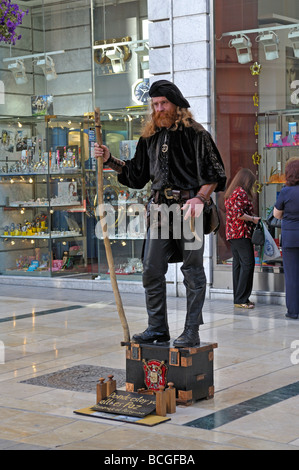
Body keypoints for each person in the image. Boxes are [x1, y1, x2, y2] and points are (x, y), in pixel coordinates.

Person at [95, 79, 226, 347]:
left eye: (163, 103)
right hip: (159, 213)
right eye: (154, 104)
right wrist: (109, 160)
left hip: (189, 211)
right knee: (151, 269)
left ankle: (191, 331)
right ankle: (157, 328)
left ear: (176, 104)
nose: (159, 108)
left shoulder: (196, 134)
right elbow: (136, 174)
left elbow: (215, 174)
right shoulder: (149, 137)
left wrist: (201, 198)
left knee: (192, 271)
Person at [224, 168, 260, 309]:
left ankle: (239, 298)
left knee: (238, 265)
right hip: (241, 233)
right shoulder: (241, 192)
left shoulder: (232, 191)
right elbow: (239, 214)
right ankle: (242, 298)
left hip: (233, 233)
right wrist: (253, 219)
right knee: (248, 264)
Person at [274, 158, 299, 319]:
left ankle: (293, 311)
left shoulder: (285, 191)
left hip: (290, 237)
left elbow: (276, 214)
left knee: (291, 276)